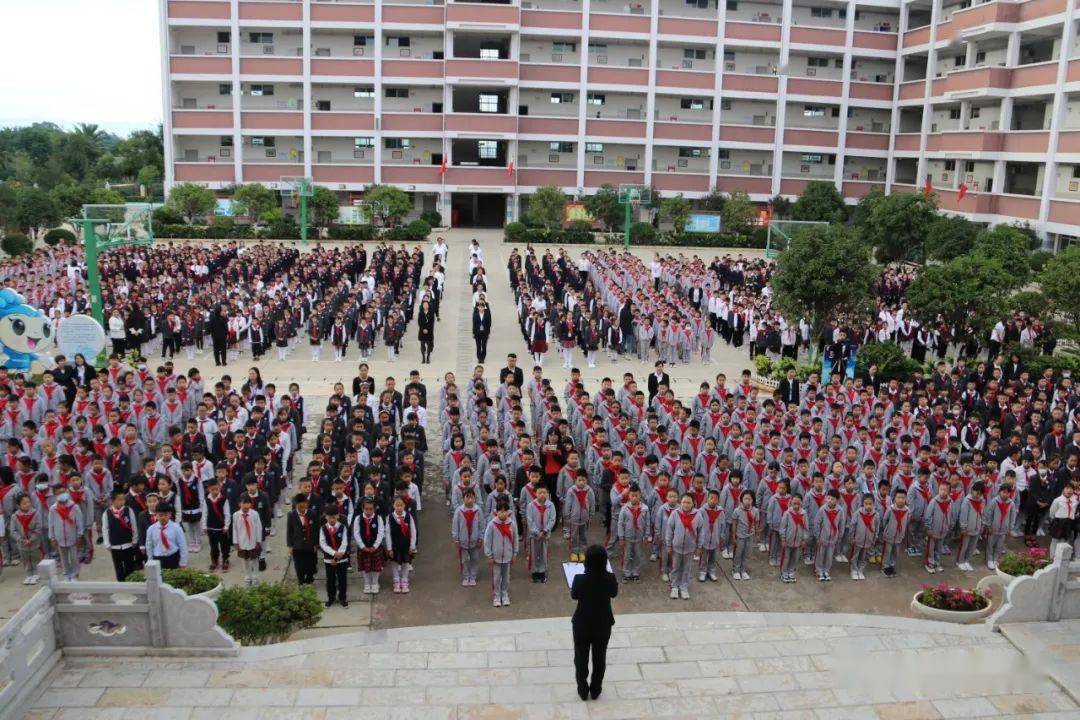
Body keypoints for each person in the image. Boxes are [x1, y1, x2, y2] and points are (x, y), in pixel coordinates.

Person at [570, 544, 618, 701]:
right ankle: (596, 689)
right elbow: (614, 593)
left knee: (580, 658)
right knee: (600, 658)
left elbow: (574, 596)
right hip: (603, 623)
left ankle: (582, 690)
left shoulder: (579, 579)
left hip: (582, 623)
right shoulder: (610, 578)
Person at [102, 490, 140, 581]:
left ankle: (131, 582)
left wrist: (135, 539)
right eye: (119, 499)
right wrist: (107, 543)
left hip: (128, 543)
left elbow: (134, 525)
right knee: (118, 567)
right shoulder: (107, 513)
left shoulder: (128, 510)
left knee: (129, 566)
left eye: (123, 499)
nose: (122, 501)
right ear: (112, 501)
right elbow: (105, 529)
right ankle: (121, 584)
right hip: (115, 546)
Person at [287, 492, 318, 586]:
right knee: (299, 565)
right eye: (299, 505)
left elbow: (316, 529)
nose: (301, 508)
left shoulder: (312, 513)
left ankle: (309, 579)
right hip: (297, 545)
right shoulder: (291, 515)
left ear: (307, 503)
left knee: (310, 564)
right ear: (295, 505)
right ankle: (300, 581)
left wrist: (316, 544)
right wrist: (290, 545)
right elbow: (289, 531)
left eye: (304, 504)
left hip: (310, 544)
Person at [472, 300, 492, 364]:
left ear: (484, 308)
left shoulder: (487, 314)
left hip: (484, 332)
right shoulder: (475, 314)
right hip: (477, 332)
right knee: (478, 346)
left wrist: (488, 332)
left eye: (482, 307)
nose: (481, 308)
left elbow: (489, 324)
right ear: (478, 308)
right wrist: (473, 332)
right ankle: (479, 358)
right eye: (479, 307)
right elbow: (474, 324)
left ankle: (482, 358)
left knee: (484, 346)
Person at [417, 299, 435, 364]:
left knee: (429, 345)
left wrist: (427, 329)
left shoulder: (431, 313)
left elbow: (432, 322)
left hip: (429, 331)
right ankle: (423, 358)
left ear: (428, 305)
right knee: (422, 345)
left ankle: (428, 357)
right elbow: (419, 322)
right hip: (422, 331)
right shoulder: (420, 313)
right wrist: (423, 329)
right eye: (424, 304)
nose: (425, 305)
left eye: (426, 304)